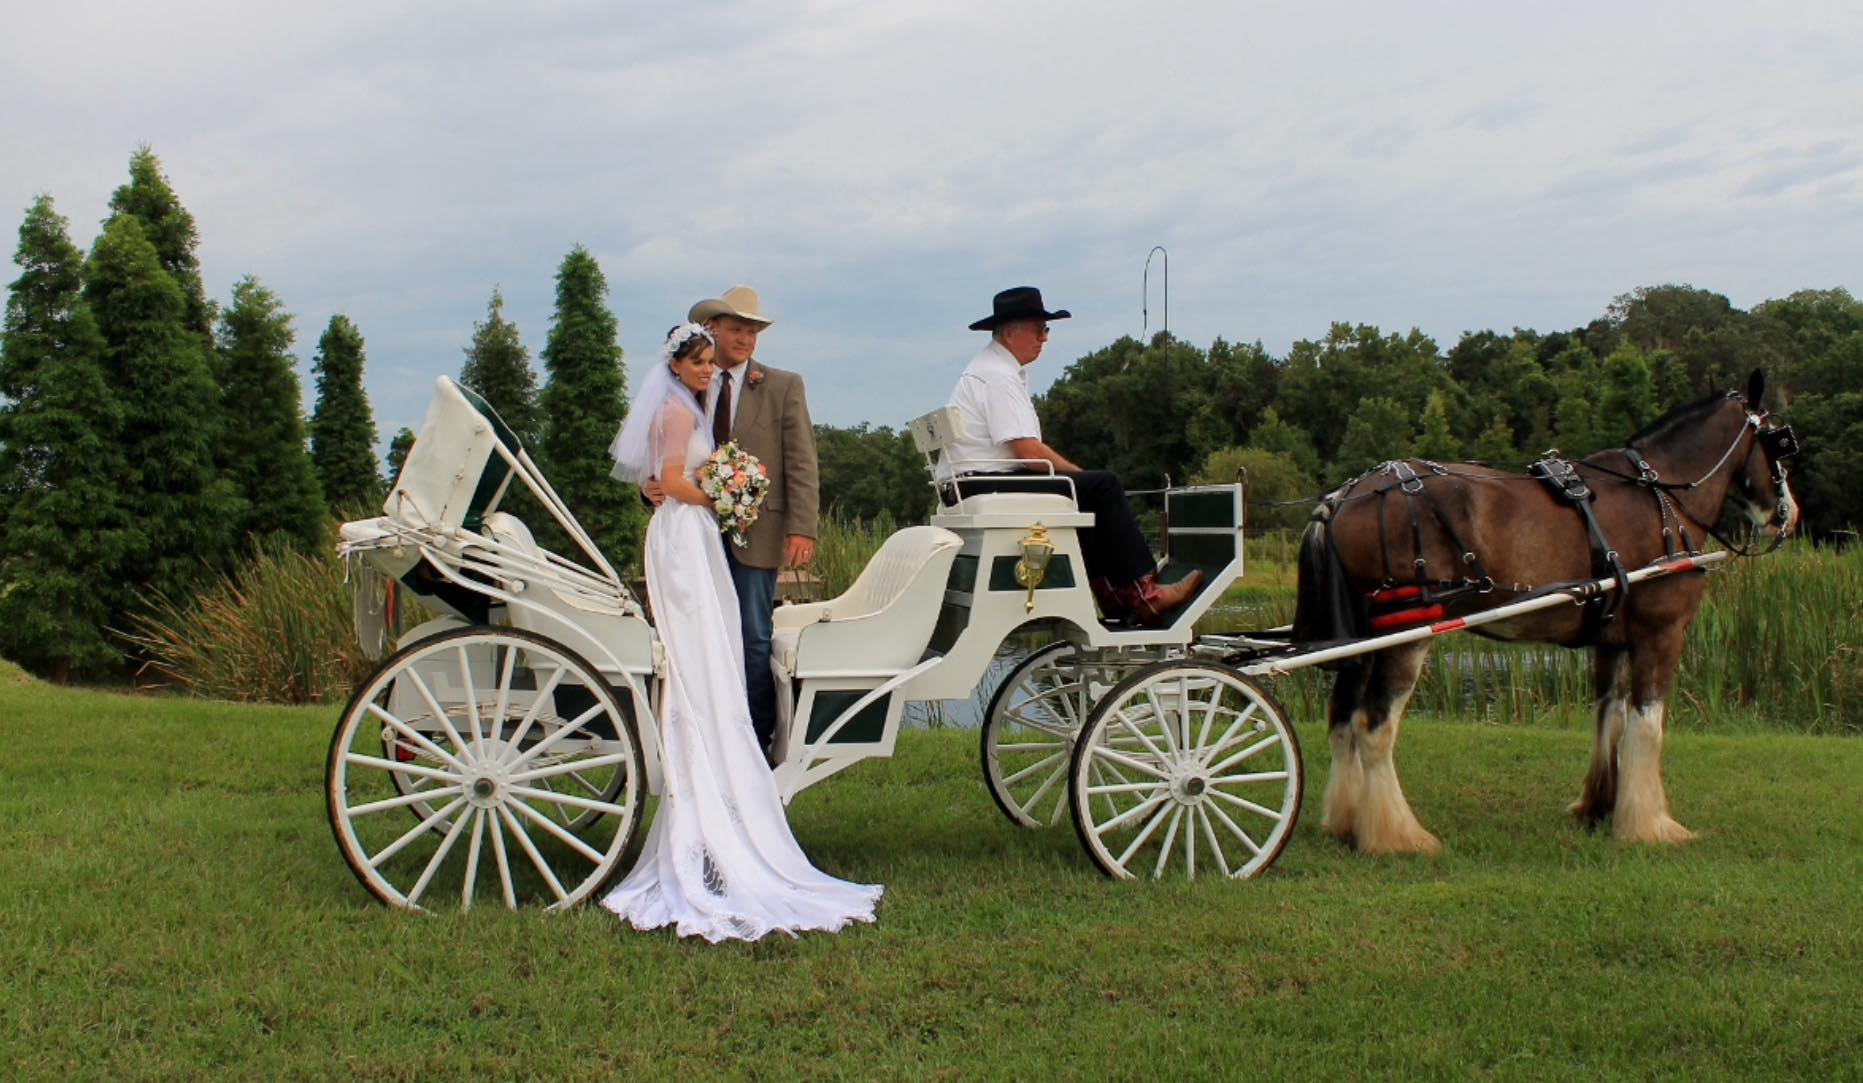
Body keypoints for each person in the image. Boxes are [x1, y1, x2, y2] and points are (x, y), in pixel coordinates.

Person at [601, 324, 880, 942]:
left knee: (724, 642)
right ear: (677, 365)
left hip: (698, 533)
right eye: (699, 361)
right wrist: (723, 497)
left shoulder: (697, 401)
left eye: (710, 362)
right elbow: (671, 479)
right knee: (703, 645)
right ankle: (713, 748)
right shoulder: (680, 409)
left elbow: (681, 474)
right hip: (688, 532)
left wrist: (720, 494)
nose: (707, 369)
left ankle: (737, 743)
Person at [938, 286, 1202, 626]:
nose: (1045, 338)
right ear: (1010, 333)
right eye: (1039, 329)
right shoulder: (998, 375)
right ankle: (1146, 593)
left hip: (969, 483)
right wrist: (1076, 475)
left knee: (1084, 491)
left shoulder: (988, 368)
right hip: (983, 483)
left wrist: (1073, 481)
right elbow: (1028, 452)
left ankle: (1114, 597)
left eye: (1045, 329)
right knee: (1103, 486)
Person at [686, 286, 818, 759]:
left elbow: (801, 460)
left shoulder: (783, 385)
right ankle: (707, 735)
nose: (745, 339)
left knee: (753, 635)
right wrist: (651, 489)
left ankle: (757, 742)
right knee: (701, 633)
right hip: (694, 528)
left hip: (758, 532)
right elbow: (663, 446)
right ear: (713, 329)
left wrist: (802, 527)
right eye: (736, 329)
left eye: (752, 331)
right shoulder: (689, 381)